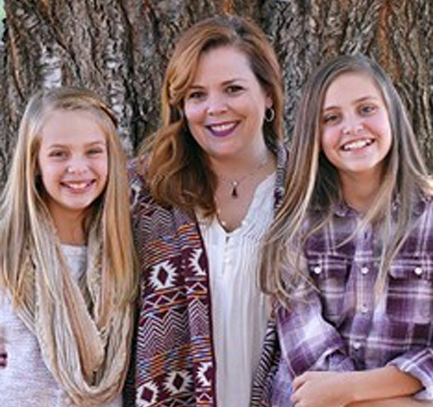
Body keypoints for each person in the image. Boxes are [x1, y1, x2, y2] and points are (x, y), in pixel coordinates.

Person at [128, 15, 287, 407]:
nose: (215, 108)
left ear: (268, 93)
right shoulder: (144, 193)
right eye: (197, 95)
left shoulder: (312, 188)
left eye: (233, 89)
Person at [260, 54, 433, 407]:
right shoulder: (296, 226)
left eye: (366, 109)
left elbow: (331, 393)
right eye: (331, 118)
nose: (352, 127)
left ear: (393, 114)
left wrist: (352, 391)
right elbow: (307, 357)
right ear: (314, 134)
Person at [0, 87, 136, 407]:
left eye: (93, 151)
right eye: (59, 153)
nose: (78, 168)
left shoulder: (129, 248)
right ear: (34, 162)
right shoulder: (7, 247)